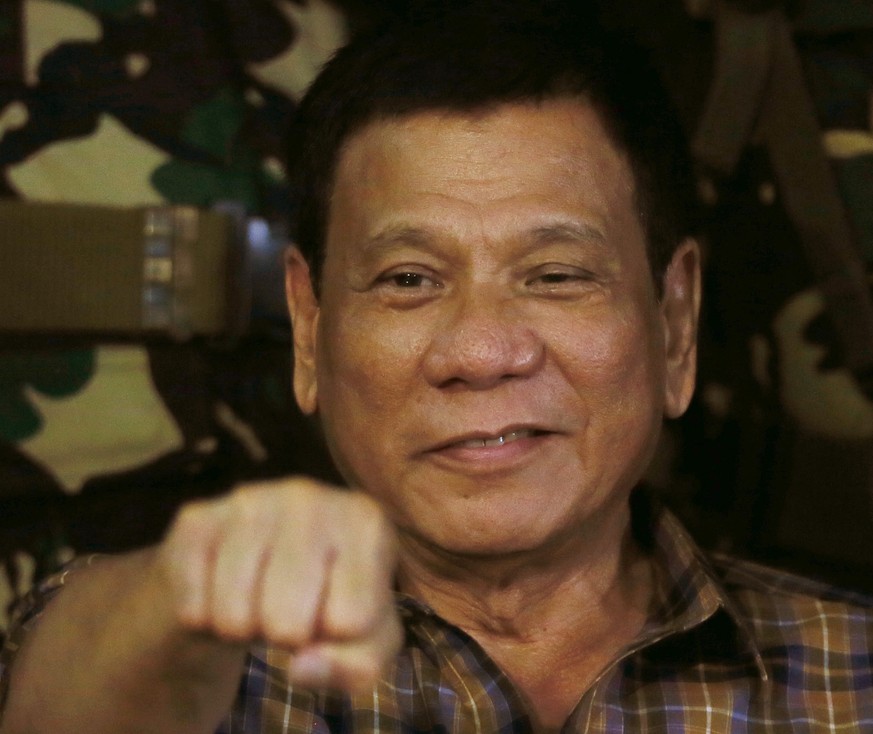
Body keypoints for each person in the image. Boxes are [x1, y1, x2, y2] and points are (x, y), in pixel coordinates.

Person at [2, 4, 872, 733]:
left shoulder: (849, 676)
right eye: (408, 280)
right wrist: (186, 593)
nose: (481, 353)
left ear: (674, 323)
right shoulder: (191, 657)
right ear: (309, 331)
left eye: (556, 276)